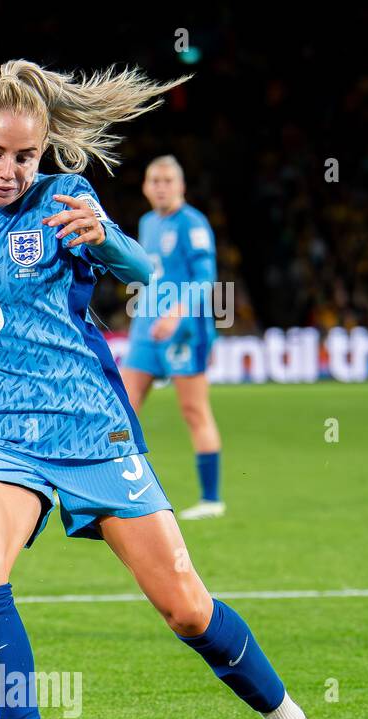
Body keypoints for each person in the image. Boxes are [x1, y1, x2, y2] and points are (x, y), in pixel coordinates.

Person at [0, 60, 349, 719]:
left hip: (88, 423)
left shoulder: (65, 197)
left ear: (43, 152)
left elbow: (145, 271)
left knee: (186, 609)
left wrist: (107, 238)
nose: (10, 170)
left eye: (25, 155)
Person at [123, 155, 224, 519]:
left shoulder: (193, 224)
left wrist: (176, 313)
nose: (161, 186)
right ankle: (111, 485)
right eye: (155, 180)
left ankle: (211, 500)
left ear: (181, 186)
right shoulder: (148, 222)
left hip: (183, 331)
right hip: (147, 330)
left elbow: (204, 279)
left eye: (168, 180)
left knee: (194, 410)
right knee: (122, 408)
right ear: (146, 187)